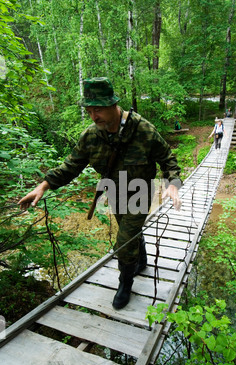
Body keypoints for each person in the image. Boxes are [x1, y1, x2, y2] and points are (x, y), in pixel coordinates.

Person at [18, 77, 182, 310]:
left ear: (113, 105)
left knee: (124, 243)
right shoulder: (91, 136)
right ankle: (141, 259)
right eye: (89, 111)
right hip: (114, 192)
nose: (94, 116)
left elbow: (168, 159)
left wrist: (173, 183)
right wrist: (43, 185)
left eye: (98, 110)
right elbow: (70, 166)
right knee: (131, 233)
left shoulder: (143, 130)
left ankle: (125, 283)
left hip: (139, 191)